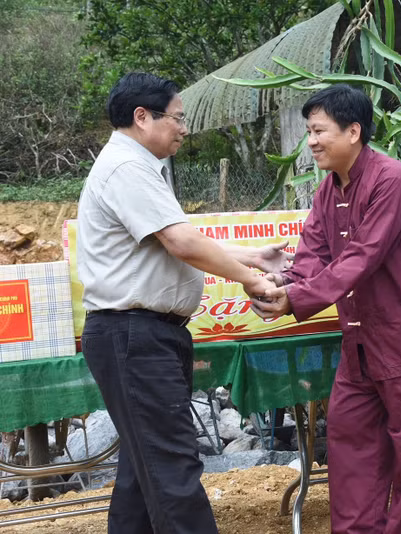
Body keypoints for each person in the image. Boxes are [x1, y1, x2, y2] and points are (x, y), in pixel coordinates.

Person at [77, 72, 290, 534]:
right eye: (177, 118)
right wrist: (253, 279)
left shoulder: (136, 167)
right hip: (133, 334)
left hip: (142, 334)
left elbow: (177, 239)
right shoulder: (126, 169)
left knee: (144, 469)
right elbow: (181, 242)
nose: (184, 128)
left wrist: (254, 254)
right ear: (141, 117)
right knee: (171, 467)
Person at [251, 84, 401, 534]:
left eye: (319, 131)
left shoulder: (394, 181)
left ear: (353, 131)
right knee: (350, 452)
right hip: (360, 347)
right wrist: (281, 283)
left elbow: (362, 256)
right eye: (309, 131)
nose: (311, 142)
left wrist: (296, 298)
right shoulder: (328, 192)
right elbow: (311, 257)